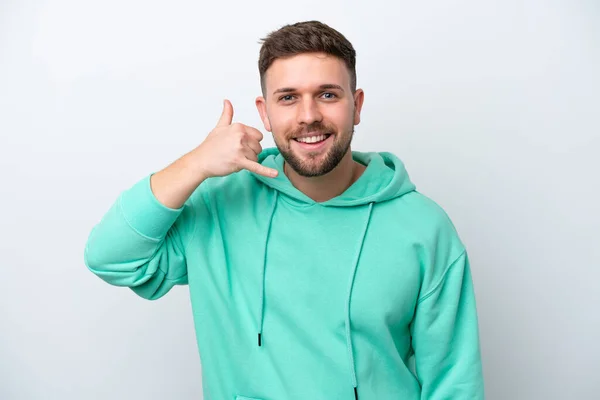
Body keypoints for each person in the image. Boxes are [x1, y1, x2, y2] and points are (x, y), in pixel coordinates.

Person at [84, 20, 484, 400]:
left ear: (356, 105)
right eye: (288, 98)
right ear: (264, 113)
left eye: (328, 94)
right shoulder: (220, 205)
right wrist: (195, 164)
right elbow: (111, 258)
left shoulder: (424, 227)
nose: (308, 115)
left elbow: (454, 382)